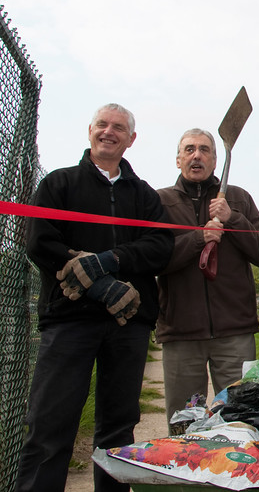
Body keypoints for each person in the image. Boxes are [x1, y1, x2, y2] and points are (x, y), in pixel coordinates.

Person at [17, 104, 174, 492]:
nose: (109, 132)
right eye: (102, 125)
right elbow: (40, 241)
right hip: (69, 321)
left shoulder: (145, 196)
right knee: (50, 423)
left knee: (118, 429)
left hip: (128, 324)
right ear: (90, 131)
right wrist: (98, 284)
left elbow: (159, 246)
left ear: (131, 139)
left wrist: (110, 260)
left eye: (119, 128)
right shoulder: (59, 184)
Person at [155, 128, 259, 422]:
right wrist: (198, 239)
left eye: (205, 150)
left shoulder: (238, 198)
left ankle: (242, 468)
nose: (197, 155)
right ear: (177, 160)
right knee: (184, 421)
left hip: (235, 332)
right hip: (181, 333)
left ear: (216, 160)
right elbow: (153, 259)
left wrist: (234, 219)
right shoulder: (160, 202)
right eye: (189, 149)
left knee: (243, 416)